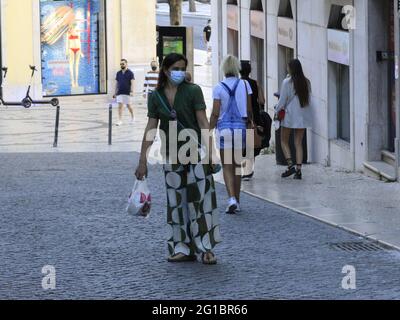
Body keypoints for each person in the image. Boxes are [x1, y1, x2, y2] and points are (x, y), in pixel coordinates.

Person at [135, 53, 220, 265]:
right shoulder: (156, 97)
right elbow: (151, 128)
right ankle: (182, 247)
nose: (180, 72)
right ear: (165, 70)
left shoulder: (193, 91)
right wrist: (142, 160)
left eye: (183, 68)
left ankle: (206, 247)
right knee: (176, 202)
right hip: (171, 155)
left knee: (201, 201)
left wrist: (212, 152)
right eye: (176, 68)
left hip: (196, 153)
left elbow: (202, 122)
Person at [210, 55, 253, 214]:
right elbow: (249, 110)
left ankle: (231, 199)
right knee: (237, 166)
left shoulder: (218, 87)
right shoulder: (245, 84)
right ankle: (238, 200)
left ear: (223, 68)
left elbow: (215, 113)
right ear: (236, 68)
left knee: (227, 166)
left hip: (224, 129)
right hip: (241, 128)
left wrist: (208, 129)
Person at [275, 59, 312, 180]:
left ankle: (290, 165)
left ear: (291, 69)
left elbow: (282, 100)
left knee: (284, 140)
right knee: (298, 143)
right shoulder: (306, 82)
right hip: (302, 116)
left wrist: (276, 112)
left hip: (289, 115)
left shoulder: (287, 82)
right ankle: (299, 171)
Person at [239, 60, 266, 181]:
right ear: (249, 71)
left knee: (240, 143)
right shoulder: (255, 83)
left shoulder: (237, 83)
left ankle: (242, 168)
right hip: (253, 116)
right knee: (251, 143)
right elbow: (261, 101)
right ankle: (248, 171)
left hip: (240, 116)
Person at [114, 59, 135, 126]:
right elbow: (117, 83)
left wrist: (132, 91)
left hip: (127, 92)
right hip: (120, 92)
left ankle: (133, 117)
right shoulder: (118, 73)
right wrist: (115, 92)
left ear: (126, 64)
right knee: (120, 106)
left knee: (128, 106)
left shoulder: (130, 73)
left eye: (123, 64)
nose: (121, 65)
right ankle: (120, 120)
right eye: (120, 64)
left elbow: (132, 83)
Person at [66, 23, 84, 88]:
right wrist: (66, 52)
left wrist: (81, 51)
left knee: (76, 66)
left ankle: (76, 81)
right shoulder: (68, 33)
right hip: (71, 49)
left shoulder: (77, 31)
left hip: (78, 49)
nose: (72, 28)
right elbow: (67, 43)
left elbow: (79, 41)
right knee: (71, 66)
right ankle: (72, 81)